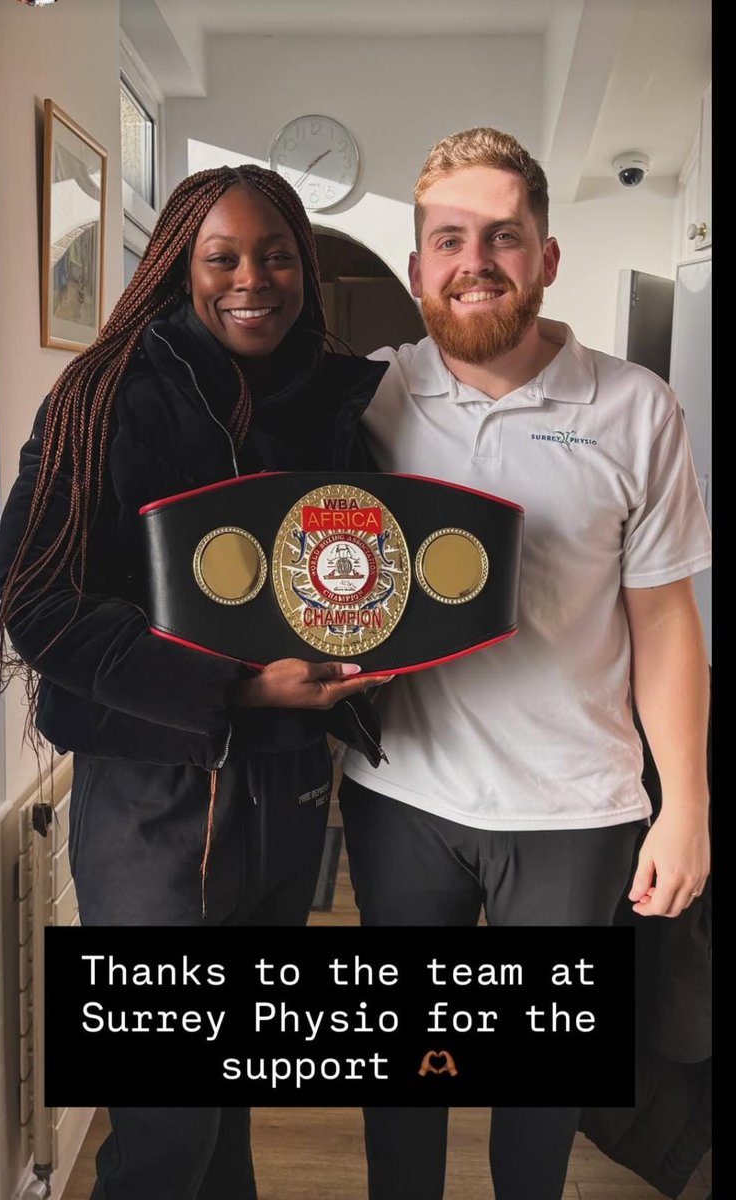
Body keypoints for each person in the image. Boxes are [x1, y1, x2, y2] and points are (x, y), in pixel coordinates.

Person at [0, 164, 392, 1200]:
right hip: (150, 804)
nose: (250, 279)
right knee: (165, 1124)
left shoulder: (334, 401)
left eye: (275, 255)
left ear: (305, 266)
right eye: (222, 257)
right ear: (180, 268)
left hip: (290, 790)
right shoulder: (102, 397)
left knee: (225, 1098)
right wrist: (238, 690)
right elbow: (41, 610)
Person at [338, 127, 712, 1200]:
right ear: (416, 267)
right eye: (447, 239)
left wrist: (681, 802)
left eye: (503, 235)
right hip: (401, 791)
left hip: (575, 811)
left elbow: (666, 621)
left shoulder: (634, 406)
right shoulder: (364, 398)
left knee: (539, 1091)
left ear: (546, 256)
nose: (475, 260)